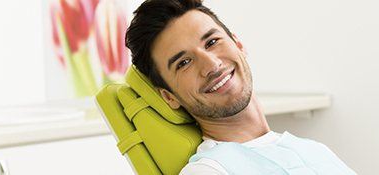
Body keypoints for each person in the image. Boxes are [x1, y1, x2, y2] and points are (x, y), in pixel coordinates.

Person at [124, 0, 357, 174]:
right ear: (168, 96)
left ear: (238, 43)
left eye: (212, 42)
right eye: (184, 63)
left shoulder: (315, 150)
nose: (211, 65)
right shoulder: (211, 170)